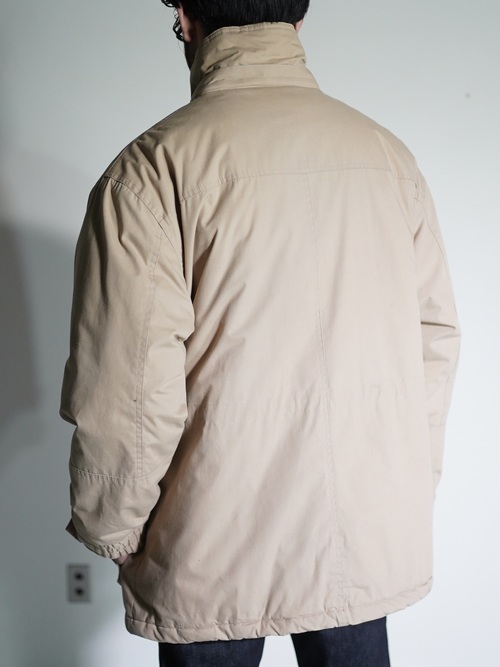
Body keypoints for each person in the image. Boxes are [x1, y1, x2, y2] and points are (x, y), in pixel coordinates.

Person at [60, 1, 460, 665]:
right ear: (299, 22)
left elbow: (128, 384)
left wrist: (113, 523)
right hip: (361, 533)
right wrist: (405, 492)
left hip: (210, 541)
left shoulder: (151, 172)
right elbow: (432, 347)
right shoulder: (388, 158)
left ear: (186, 18)